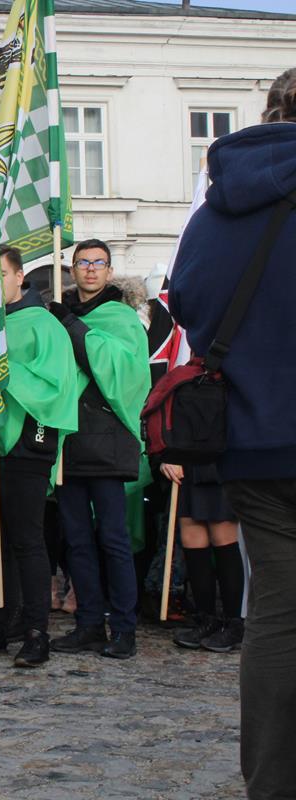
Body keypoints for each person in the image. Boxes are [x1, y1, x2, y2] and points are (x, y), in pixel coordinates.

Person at [170, 67, 296, 800]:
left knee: (277, 614)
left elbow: (187, 302)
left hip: (252, 439)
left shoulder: (218, 208)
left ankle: (272, 783)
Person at [0, 246, 79, 667]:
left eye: (1, 275)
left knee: (26, 539)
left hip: (26, 442)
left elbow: (55, 384)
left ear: (20, 276)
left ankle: (37, 631)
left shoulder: (44, 324)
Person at [47, 239, 151, 660]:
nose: (90, 269)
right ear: (72, 269)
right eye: (82, 262)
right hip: (69, 439)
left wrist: (72, 327)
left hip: (107, 439)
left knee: (113, 538)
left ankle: (124, 628)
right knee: (76, 541)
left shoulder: (121, 317)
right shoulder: (60, 315)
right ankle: (88, 623)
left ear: (109, 270)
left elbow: (124, 369)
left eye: (98, 262)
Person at [161, 463, 244, 652]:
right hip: (187, 465)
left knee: (222, 537)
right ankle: (207, 620)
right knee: (192, 539)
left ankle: (234, 624)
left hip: (217, 462)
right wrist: (167, 458)